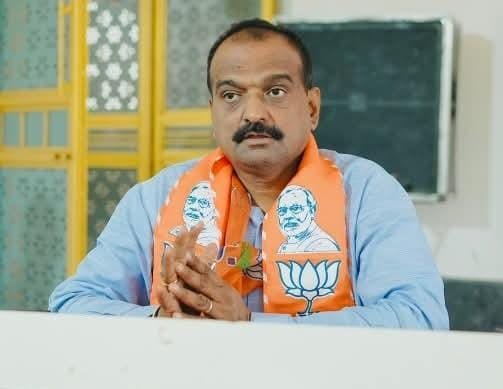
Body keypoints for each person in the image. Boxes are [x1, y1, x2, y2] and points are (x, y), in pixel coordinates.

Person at [49, 18, 449, 328]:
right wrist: (164, 319)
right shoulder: (156, 198)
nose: (253, 113)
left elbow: (419, 318)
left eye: (275, 91)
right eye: (231, 95)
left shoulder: (366, 191)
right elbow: (72, 303)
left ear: (311, 108)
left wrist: (249, 325)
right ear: (213, 113)